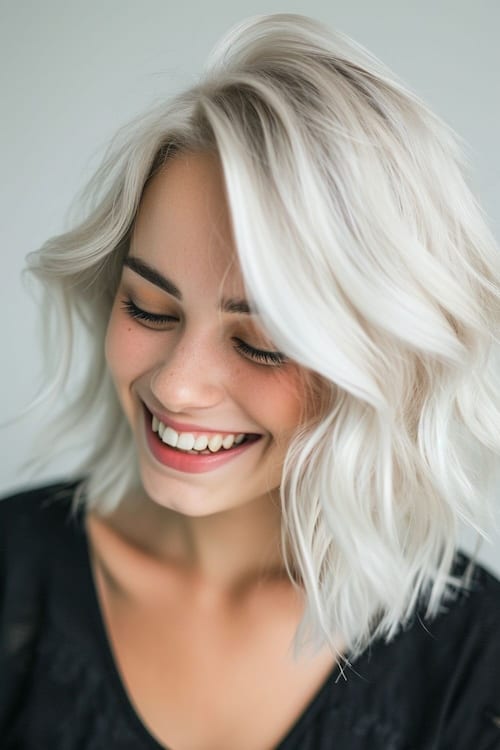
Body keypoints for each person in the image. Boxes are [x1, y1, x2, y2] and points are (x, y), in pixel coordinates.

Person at [1, 12, 500, 750]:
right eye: (149, 307)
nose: (177, 387)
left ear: (378, 362)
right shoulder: (14, 570)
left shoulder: (476, 661)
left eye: (262, 345)